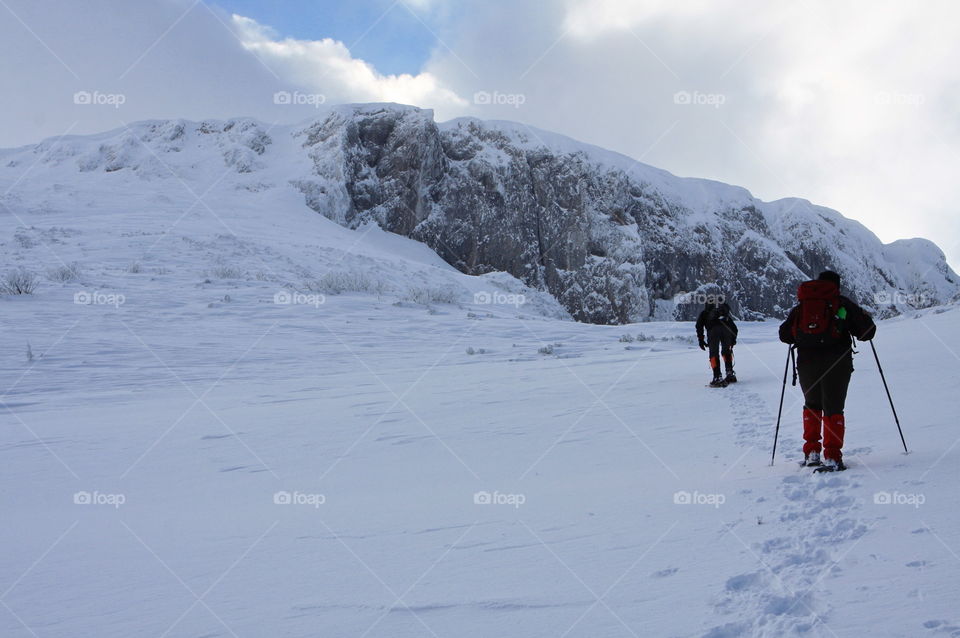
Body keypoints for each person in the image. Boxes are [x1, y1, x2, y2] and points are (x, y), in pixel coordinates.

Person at [778, 271, 876, 471]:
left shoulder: (802, 306)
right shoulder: (842, 304)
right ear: (836, 286)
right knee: (833, 408)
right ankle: (832, 456)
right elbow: (867, 332)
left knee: (812, 405)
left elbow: (784, 334)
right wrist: (864, 317)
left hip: (806, 363)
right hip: (837, 363)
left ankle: (812, 452)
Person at [696, 300, 738, 387]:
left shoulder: (705, 313)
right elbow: (734, 328)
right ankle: (730, 373)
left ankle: (717, 377)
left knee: (714, 354)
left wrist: (701, 340)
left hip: (713, 331)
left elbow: (699, 326)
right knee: (726, 351)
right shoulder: (723, 315)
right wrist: (732, 340)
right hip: (726, 331)